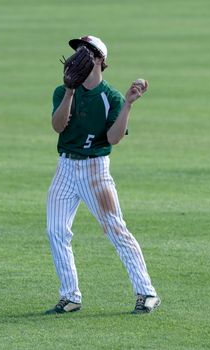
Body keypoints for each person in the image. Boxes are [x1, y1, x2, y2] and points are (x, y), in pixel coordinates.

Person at [45, 35, 160, 315]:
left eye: (85, 52)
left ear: (99, 60)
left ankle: (147, 293)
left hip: (95, 170)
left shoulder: (111, 97)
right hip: (66, 168)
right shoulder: (63, 91)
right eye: (76, 52)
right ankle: (70, 296)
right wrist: (70, 91)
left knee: (115, 229)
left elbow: (114, 137)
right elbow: (58, 127)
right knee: (56, 231)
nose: (77, 57)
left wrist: (129, 104)